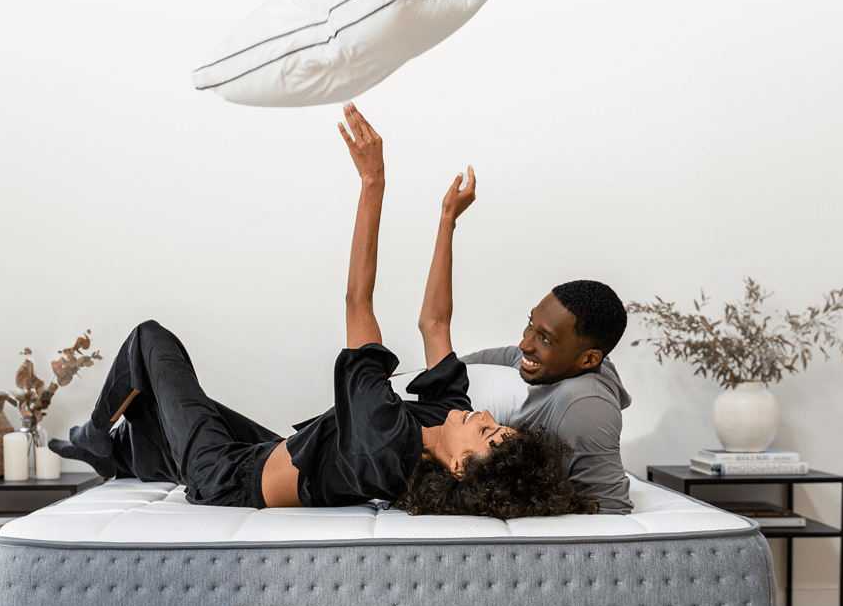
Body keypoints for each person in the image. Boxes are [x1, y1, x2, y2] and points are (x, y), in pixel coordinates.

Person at [51, 106, 595, 519]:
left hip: (227, 478)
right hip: (270, 449)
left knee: (150, 341)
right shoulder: (440, 418)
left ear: (459, 466)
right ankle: (115, 452)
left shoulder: (386, 441)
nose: (485, 419)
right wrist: (447, 220)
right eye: (498, 427)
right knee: (152, 415)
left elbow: (358, 302)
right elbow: (435, 325)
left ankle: (98, 437)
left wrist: (372, 183)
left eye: (489, 436)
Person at [462, 281, 633, 515]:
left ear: (589, 360)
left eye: (545, 339)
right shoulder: (561, 363)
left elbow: (610, 511)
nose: (525, 343)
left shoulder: (585, 405)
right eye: (531, 323)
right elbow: (509, 356)